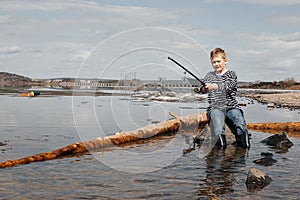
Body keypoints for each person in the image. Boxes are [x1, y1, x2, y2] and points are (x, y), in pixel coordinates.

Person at [201, 47, 250, 149]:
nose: (216, 64)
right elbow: (201, 90)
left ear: (225, 61)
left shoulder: (231, 74)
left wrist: (213, 86)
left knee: (239, 122)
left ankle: (245, 150)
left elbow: (227, 87)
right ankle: (221, 152)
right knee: (218, 126)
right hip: (215, 108)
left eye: (218, 61)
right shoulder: (209, 76)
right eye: (213, 62)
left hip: (231, 107)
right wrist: (203, 89)